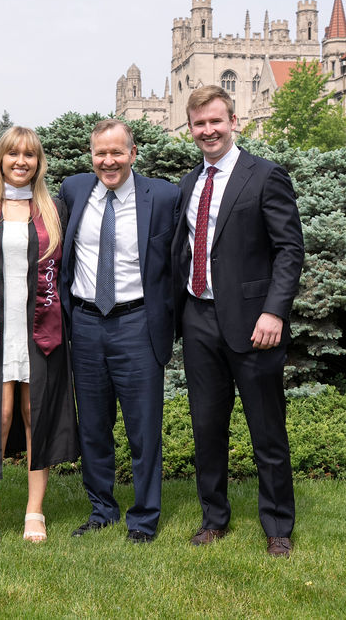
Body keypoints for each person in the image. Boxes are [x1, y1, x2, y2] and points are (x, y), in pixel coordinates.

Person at [172, 85, 304, 557]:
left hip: (254, 324)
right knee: (207, 427)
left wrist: (274, 311)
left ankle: (277, 527)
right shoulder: (189, 183)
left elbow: (290, 250)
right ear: (191, 128)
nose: (208, 130)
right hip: (198, 319)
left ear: (234, 122)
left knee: (266, 428)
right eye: (199, 124)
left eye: (216, 121)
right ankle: (214, 519)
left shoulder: (265, 176)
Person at [58, 119, 179, 544]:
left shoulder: (162, 196)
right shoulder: (74, 191)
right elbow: (25, 205)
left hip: (138, 324)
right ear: (91, 155)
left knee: (143, 429)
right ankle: (102, 509)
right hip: (87, 324)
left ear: (132, 153)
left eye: (116, 152)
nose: (108, 161)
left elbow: (180, 258)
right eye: (100, 153)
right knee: (93, 426)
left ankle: (144, 519)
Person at [0, 126, 78, 545]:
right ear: (0, 159)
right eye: (13, 154)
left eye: (29, 154)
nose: (21, 161)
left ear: (39, 162)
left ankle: (34, 511)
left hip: (40, 327)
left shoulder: (54, 210)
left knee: (35, 416)